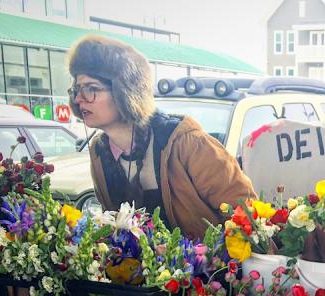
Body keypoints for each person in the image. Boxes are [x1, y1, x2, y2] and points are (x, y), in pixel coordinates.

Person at [67, 34, 255, 238]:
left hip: (210, 267)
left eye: (91, 88)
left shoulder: (186, 142)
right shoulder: (99, 151)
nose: (79, 99)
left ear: (125, 92)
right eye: (77, 89)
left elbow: (247, 214)